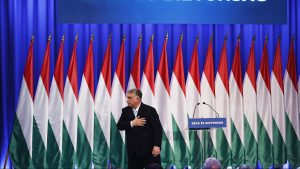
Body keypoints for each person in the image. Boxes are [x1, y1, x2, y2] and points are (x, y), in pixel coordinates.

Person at [117, 89, 163, 169]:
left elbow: (157, 129)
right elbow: (119, 125)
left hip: (149, 151)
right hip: (133, 152)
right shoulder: (125, 111)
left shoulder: (150, 110)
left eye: (130, 98)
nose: (127, 100)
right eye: (127, 98)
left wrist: (157, 146)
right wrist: (132, 123)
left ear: (137, 99)